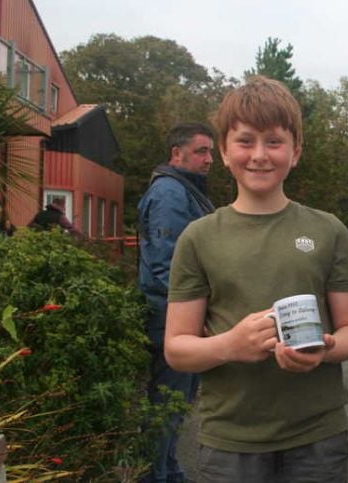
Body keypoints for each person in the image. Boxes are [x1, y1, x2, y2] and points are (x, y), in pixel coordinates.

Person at [164, 77, 348, 482]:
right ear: (224, 151)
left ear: (295, 152)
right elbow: (176, 348)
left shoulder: (328, 230)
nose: (259, 155)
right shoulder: (199, 237)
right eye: (245, 141)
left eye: (274, 141)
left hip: (317, 436)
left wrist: (324, 350)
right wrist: (230, 345)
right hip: (230, 441)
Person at [137, 121, 216, 483]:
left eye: (211, 152)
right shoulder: (170, 193)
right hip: (170, 317)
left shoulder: (183, 190)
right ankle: (156, 474)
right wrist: (195, 313)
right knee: (168, 402)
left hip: (175, 313)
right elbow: (166, 262)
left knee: (174, 402)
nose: (209, 158)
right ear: (177, 153)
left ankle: (168, 469)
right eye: (201, 151)